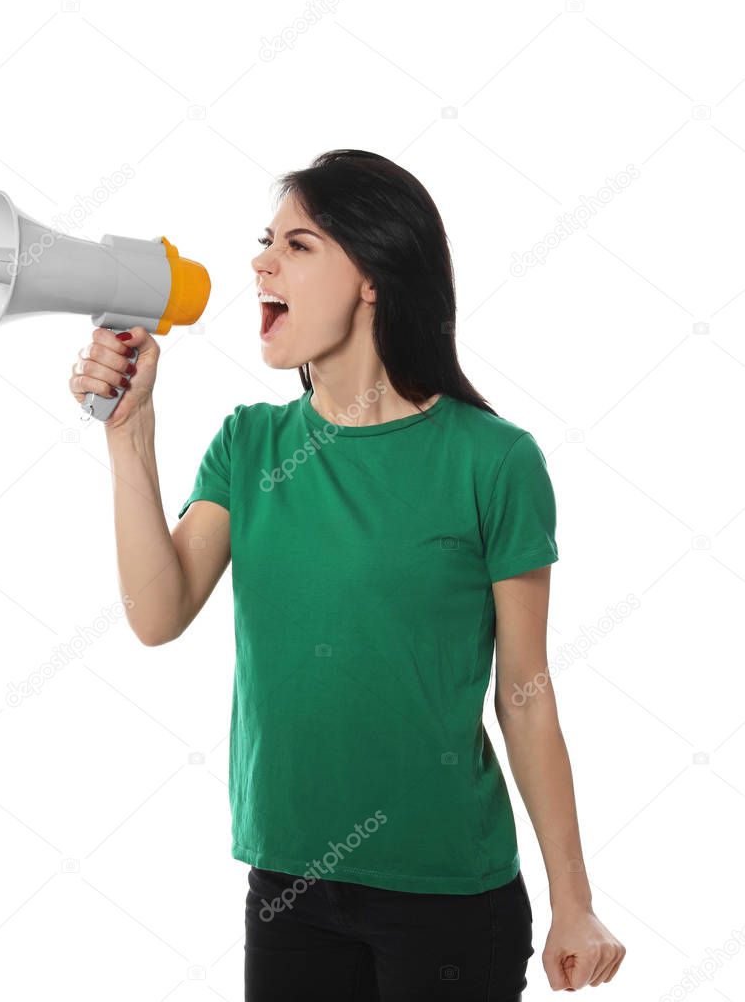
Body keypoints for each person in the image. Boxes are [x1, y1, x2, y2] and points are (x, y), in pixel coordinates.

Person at [69, 149, 626, 1001]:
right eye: (265, 242)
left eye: (296, 244)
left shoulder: (493, 460)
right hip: (289, 887)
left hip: (448, 897)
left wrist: (573, 901)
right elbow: (157, 612)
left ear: (372, 277)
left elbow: (525, 690)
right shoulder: (249, 445)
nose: (260, 263)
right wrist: (128, 432)